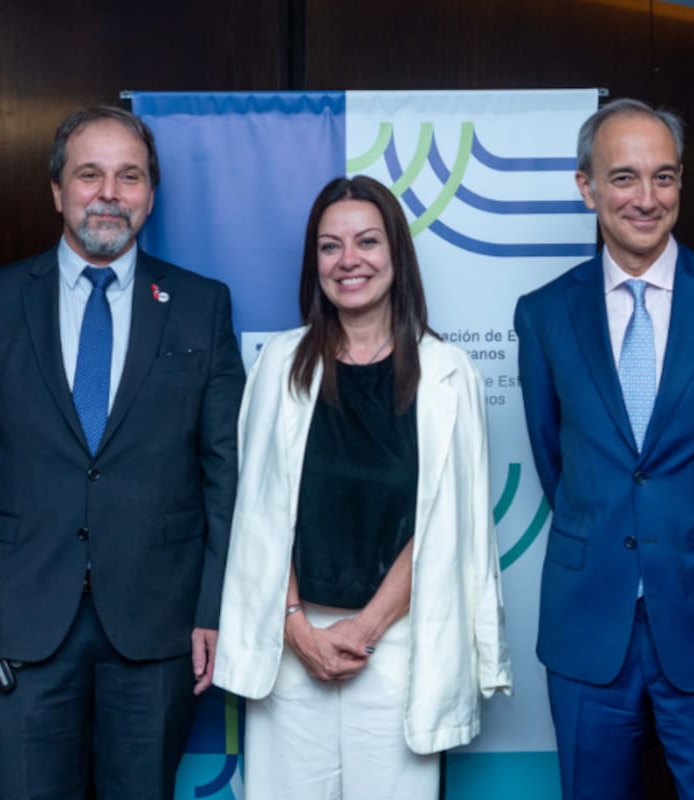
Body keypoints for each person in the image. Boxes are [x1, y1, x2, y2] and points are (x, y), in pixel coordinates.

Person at [0, 106, 245, 799]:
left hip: (157, 624)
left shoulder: (201, 305)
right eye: (90, 174)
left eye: (129, 176)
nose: (109, 192)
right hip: (21, 620)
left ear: (151, 194)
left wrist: (212, 609)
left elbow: (226, 472)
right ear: (57, 191)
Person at [514, 98, 694, 799]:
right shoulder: (544, 314)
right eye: (624, 178)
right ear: (587, 186)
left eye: (663, 178)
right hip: (588, 622)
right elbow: (556, 461)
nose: (646, 199)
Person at [214, 174, 511, 799]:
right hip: (290, 646)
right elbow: (257, 515)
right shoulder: (276, 366)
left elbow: (447, 525)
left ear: (396, 256)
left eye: (367, 242)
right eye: (330, 246)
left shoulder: (448, 375)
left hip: (399, 649)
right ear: (313, 262)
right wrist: (296, 627)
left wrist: (367, 628)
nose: (349, 261)